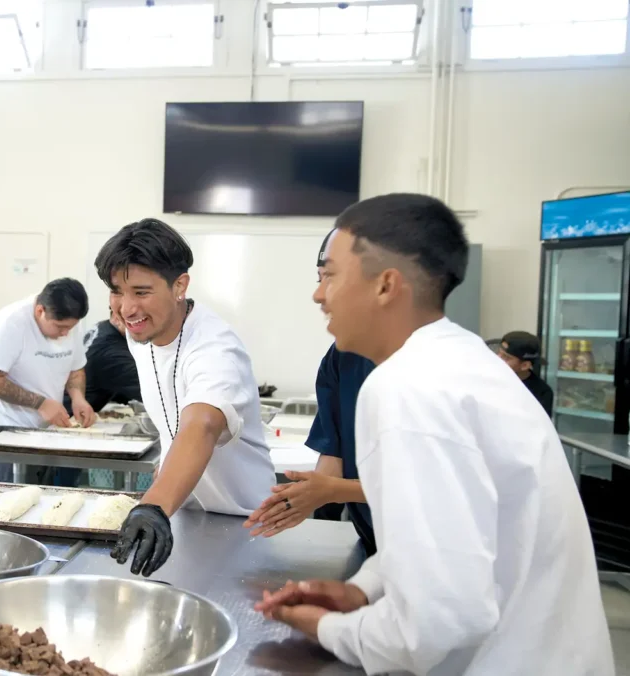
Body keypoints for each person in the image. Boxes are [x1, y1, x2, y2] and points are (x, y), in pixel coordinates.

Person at [255, 193, 612, 674]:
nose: (318, 295)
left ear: (385, 285)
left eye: (330, 275)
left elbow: (437, 622)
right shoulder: (463, 362)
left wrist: (327, 628)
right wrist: (362, 590)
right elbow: (455, 531)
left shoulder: (409, 387)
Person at [95, 218, 275, 578]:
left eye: (142, 292)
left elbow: (202, 424)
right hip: (188, 516)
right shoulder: (141, 333)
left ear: (180, 286)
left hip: (247, 525)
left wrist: (154, 506)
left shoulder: (215, 348)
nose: (127, 308)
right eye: (117, 291)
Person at [244, 231, 377, 556]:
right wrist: (308, 496)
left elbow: (425, 493)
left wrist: (331, 490)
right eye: (318, 279)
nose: (318, 295)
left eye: (329, 278)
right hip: (376, 539)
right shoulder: (340, 357)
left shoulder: (427, 371)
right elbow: (334, 451)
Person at [0, 278, 96, 483]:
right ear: (40, 311)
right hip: (6, 434)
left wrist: (78, 398)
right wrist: (40, 403)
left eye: (70, 327)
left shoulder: (69, 323)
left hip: (46, 433)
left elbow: (76, 369)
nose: (66, 333)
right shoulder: (10, 324)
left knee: (42, 504)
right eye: (60, 327)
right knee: (8, 506)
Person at [63, 302, 141, 413]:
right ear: (115, 315)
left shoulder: (103, 328)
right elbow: (151, 392)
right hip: (71, 416)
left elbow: (119, 388)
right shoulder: (111, 351)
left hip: (72, 409)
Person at [496, 330, 554, 416]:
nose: (497, 359)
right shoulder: (487, 379)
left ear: (525, 365)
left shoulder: (542, 393)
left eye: (506, 357)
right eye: (499, 353)